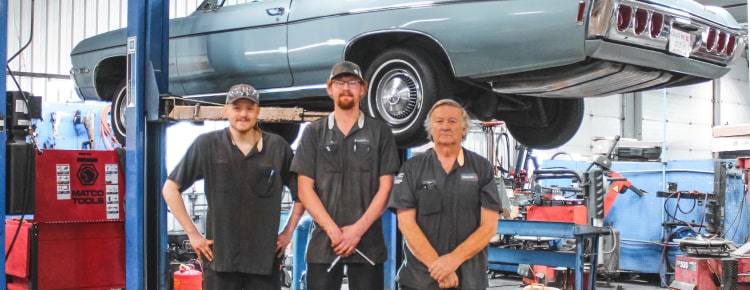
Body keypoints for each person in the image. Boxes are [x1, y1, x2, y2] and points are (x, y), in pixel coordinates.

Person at [162, 84, 305, 290]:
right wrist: (193, 234)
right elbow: (170, 188)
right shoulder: (207, 145)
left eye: (249, 108)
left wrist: (287, 233)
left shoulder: (277, 147)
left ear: (258, 111)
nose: (243, 114)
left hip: (264, 262)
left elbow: (302, 194)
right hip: (220, 261)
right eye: (237, 108)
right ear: (226, 110)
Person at [291, 61, 400, 290]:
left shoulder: (380, 132)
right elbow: (304, 189)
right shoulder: (314, 133)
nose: (346, 88)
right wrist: (334, 231)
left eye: (352, 82)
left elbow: (386, 188)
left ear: (363, 89)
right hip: (324, 243)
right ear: (330, 89)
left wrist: (356, 231)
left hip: (368, 243)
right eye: (340, 82)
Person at [389, 99, 502, 290]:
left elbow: (489, 227)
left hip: (469, 281)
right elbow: (406, 224)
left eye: (452, 121)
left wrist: (452, 261)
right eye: (439, 121)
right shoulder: (412, 169)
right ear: (430, 129)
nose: (445, 127)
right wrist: (439, 267)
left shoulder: (482, 168)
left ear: (464, 129)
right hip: (419, 281)